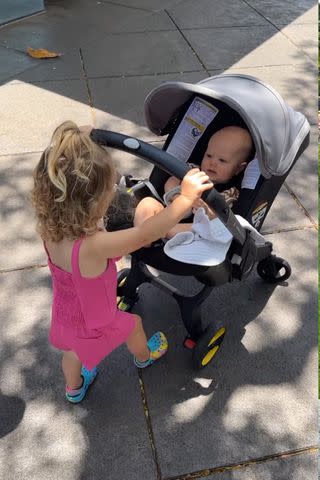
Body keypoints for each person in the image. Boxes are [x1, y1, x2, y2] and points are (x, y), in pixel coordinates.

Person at [30, 121, 212, 403]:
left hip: (67, 313)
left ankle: (74, 388)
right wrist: (185, 199)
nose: (112, 196)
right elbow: (145, 233)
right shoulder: (94, 244)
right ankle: (144, 357)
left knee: (72, 353)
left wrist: (82, 141)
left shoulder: (51, 227)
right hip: (97, 318)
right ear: (90, 204)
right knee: (134, 324)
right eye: (108, 193)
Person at [134, 126, 253, 240]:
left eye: (222, 160)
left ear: (239, 168)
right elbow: (171, 181)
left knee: (205, 228)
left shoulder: (231, 192)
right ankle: (142, 239)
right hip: (167, 214)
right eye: (209, 155)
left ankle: (158, 233)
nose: (212, 163)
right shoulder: (193, 171)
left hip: (192, 229)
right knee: (147, 203)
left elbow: (222, 218)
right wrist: (176, 196)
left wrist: (206, 209)